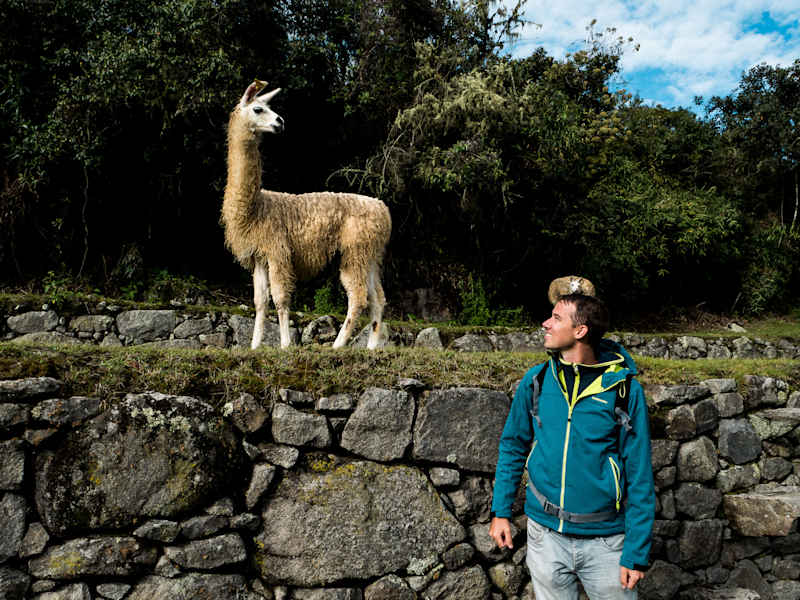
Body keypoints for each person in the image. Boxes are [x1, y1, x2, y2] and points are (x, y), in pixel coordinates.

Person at [489, 292, 655, 599]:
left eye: (556, 318)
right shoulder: (537, 380)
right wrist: (500, 511)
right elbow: (513, 446)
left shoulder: (624, 390)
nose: (546, 323)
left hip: (606, 542)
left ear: (580, 330)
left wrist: (636, 552)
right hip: (545, 536)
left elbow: (640, 473)